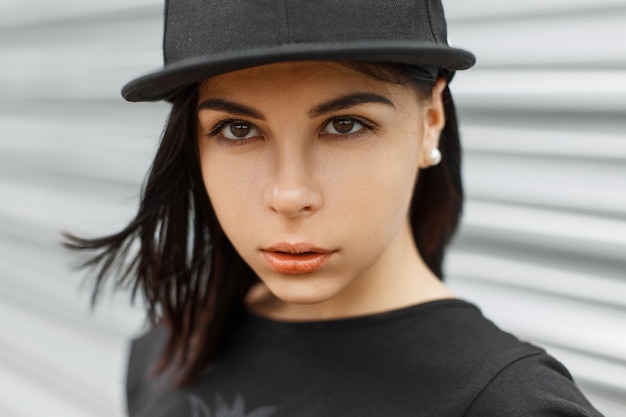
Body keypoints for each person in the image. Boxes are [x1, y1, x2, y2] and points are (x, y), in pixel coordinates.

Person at [67, 0, 604, 416]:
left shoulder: (509, 402)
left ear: (431, 119)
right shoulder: (166, 354)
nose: (289, 194)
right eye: (238, 129)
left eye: (344, 125)